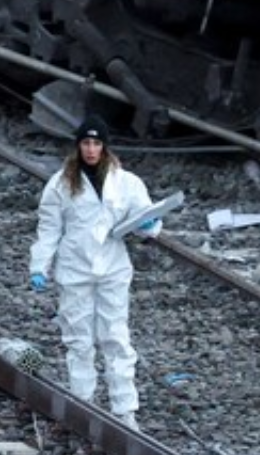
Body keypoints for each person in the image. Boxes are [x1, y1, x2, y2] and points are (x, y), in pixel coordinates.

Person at [27, 120, 160, 425]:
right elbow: (49, 228)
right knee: (79, 339)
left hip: (112, 267)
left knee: (115, 336)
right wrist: (39, 265)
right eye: (85, 144)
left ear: (105, 146)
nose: (91, 150)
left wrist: (149, 227)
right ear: (77, 146)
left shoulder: (126, 182)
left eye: (96, 144)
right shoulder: (61, 183)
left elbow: (146, 216)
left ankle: (125, 411)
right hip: (74, 268)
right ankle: (82, 405)